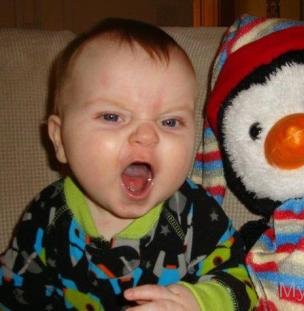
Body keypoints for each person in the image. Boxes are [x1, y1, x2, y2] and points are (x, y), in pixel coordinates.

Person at [0, 18, 256, 311]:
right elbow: (13, 292)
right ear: (60, 140)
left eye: (170, 122)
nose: (146, 135)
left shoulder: (194, 215)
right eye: (112, 117)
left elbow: (244, 283)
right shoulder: (47, 215)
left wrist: (196, 302)